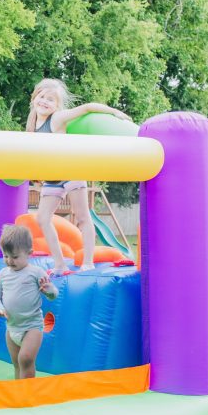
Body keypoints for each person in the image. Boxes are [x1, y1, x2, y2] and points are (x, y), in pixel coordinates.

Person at [27, 78, 130, 274]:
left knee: (82, 217)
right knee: (42, 218)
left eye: (51, 100)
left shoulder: (55, 119)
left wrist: (114, 112)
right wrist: (38, 179)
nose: (45, 102)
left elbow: (87, 107)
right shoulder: (32, 124)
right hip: (52, 179)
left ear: (57, 106)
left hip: (71, 173)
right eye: (42, 97)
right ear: (34, 98)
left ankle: (88, 262)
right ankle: (59, 263)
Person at [0, 225, 59, 379]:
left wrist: (49, 290)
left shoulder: (36, 273)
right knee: (16, 364)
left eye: (14, 257)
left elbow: (53, 295)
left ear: (29, 253)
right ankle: (20, 393)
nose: (9, 260)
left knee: (26, 359)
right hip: (12, 328)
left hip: (32, 326)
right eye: (5, 256)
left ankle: (29, 393)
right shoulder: (2, 274)